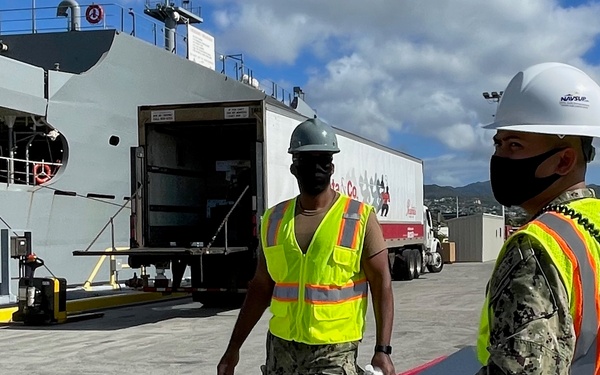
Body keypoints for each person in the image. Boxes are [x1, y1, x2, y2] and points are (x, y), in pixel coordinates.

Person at [217, 117, 396, 375]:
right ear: (294, 167)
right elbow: (260, 287)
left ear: (332, 166)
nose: (316, 168)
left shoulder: (359, 218)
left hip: (334, 351)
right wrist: (233, 349)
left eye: (322, 160)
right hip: (281, 351)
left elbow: (382, 285)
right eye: (307, 161)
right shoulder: (274, 220)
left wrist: (383, 350)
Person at [475, 62, 600, 374]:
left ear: (564, 160)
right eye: (498, 143)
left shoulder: (537, 247)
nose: (500, 158)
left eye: (515, 145)